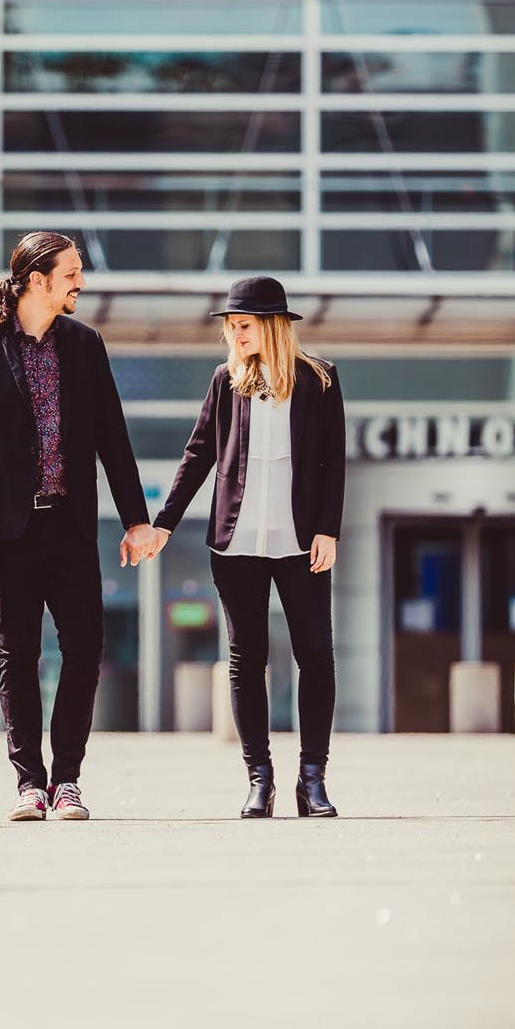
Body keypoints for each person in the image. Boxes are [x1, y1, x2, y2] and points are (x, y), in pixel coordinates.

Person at [0, 231, 163, 823]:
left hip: (69, 527)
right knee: (17, 655)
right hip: (8, 534)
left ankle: (67, 781)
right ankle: (28, 785)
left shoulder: (85, 345)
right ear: (38, 280)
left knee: (85, 649)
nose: (81, 283)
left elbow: (112, 437)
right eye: (72, 273)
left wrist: (136, 520)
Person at [153, 276, 346, 819]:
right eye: (231, 327)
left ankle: (313, 780)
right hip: (237, 543)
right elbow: (198, 456)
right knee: (245, 660)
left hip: (302, 541)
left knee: (315, 656)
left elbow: (334, 463)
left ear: (272, 326)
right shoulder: (225, 381)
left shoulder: (320, 380)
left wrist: (328, 529)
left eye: (243, 325)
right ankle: (259, 780)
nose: (234, 335)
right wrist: (164, 523)